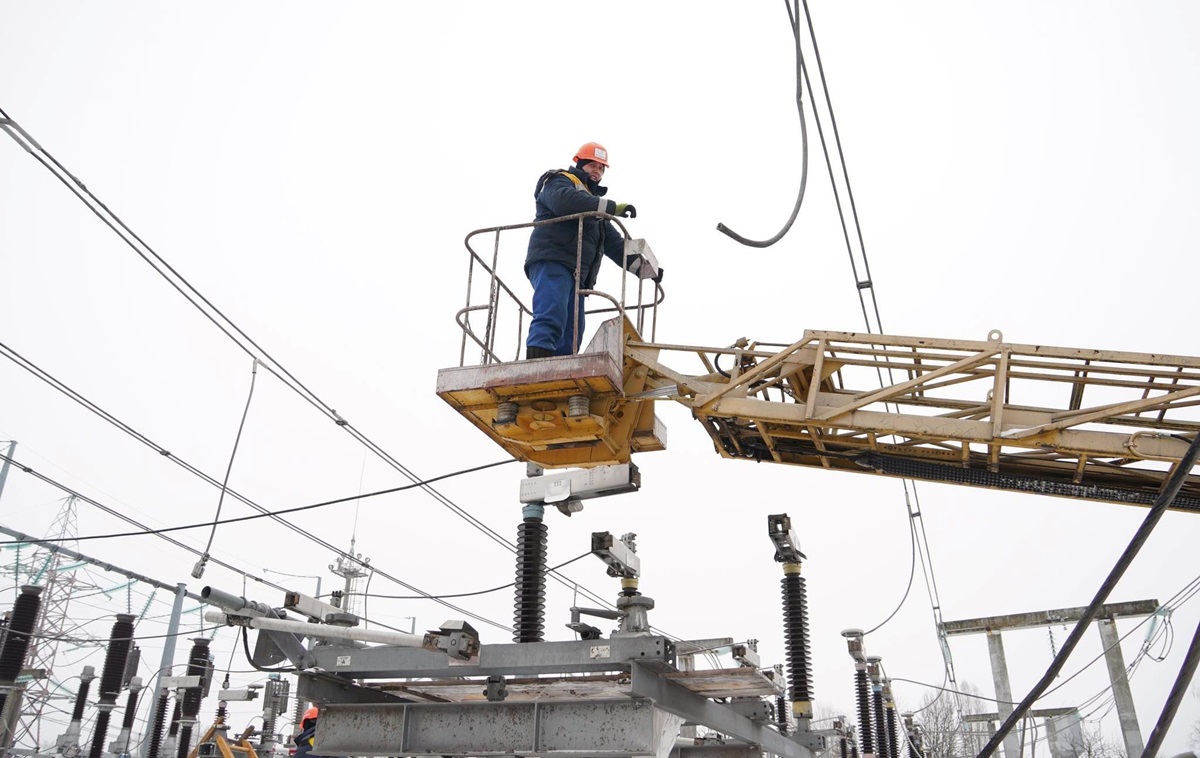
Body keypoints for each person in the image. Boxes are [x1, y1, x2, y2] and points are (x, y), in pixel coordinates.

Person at [524, 142, 662, 359]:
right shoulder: (559, 181)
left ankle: (562, 368)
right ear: (580, 164)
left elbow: (615, 245)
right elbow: (565, 202)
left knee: (573, 330)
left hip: (577, 275)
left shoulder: (594, 211)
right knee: (552, 311)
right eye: (592, 165)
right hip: (553, 261)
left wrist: (645, 270)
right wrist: (612, 207)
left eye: (601, 168)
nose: (596, 171)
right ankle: (536, 362)